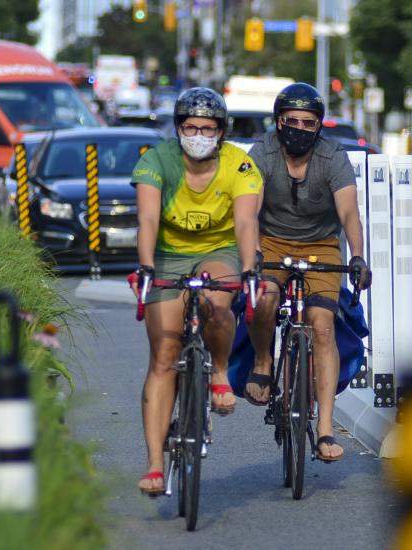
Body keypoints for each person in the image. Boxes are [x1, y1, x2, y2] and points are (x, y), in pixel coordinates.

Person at [128, 87, 263, 495]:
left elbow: (245, 224)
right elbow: (148, 219)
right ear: (178, 128)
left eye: (207, 128)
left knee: (217, 301)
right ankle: (154, 464)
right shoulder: (156, 160)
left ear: (221, 132)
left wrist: (249, 268)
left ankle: (219, 372)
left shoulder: (239, 165)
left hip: (218, 251)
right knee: (164, 357)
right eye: (190, 127)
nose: (199, 135)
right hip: (167, 253)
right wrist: (148, 266)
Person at [243, 83, 372, 463]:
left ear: (319, 126)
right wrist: (252, 255)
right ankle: (264, 363)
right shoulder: (262, 152)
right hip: (272, 242)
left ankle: (326, 428)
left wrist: (359, 257)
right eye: (292, 121)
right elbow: (249, 210)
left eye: (308, 122)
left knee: (322, 325)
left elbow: (349, 212)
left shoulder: (333, 157)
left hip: (320, 246)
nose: (299, 128)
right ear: (278, 121)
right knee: (263, 298)